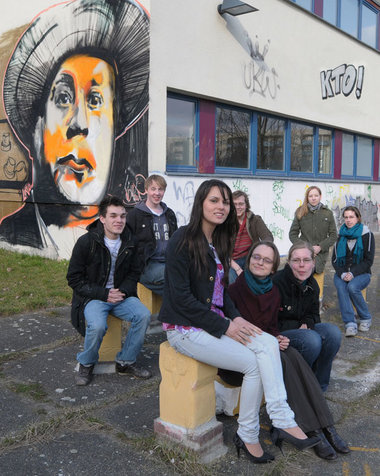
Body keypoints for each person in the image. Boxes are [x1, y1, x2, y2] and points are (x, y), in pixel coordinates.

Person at [158, 179, 319, 464]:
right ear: (201, 204)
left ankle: (276, 418)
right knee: (253, 363)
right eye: (214, 200)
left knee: (268, 341)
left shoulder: (219, 242)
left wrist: (237, 318)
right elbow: (180, 299)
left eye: (225, 201)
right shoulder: (183, 239)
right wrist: (226, 326)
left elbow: (221, 294)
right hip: (184, 329)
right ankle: (252, 432)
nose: (221, 207)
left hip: (213, 323)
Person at [0, 0, 149, 258]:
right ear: (37, 130)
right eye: (64, 98)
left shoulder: (126, 239)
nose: (79, 123)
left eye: (95, 101)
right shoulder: (12, 236)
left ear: (116, 131)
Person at [219, 241, 349, 460]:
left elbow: (272, 327)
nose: (260, 262)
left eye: (267, 260)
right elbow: (233, 329)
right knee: (290, 357)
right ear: (249, 259)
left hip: (266, 347)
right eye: (256, 257)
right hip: (241, 357)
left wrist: (275, 337)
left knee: (293, 354)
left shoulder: (271, 291)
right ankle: (310, 428)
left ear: (272, 267)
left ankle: (326, 426)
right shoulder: (235, 289)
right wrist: (272, 338)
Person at [67, 195, 151, 386]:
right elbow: (73, 278)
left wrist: (122, 291)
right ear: (102, 218)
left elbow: (135, 272)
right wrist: (105, 294)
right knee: (97, 326)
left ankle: (126, 362)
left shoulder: (131, 241)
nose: (119, 220)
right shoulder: (87, 242)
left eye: (122, 216)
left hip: (122, 295)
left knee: (143, 315)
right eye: (113, 216)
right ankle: (86, 363)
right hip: (94, 297)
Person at [273, 242, 341, 392]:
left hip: (301, 330)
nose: (302, 265)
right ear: (289, 262)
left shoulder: (312, 285)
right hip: (279, 336)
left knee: (333, 333)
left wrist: (307, 323)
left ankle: (318, 387)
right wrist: (301, 330)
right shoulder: (276, 283)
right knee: (311, 340)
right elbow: (268, 321)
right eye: (296, 260)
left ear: (313, 262)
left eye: (306, 260)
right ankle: (299, 387)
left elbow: (313, 315)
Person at [126, 175, 177, 295]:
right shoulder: (135, 215)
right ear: (146, 190)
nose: (157, 193)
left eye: (160, 189)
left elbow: (176, 241)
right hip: (147, 266)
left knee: (191, 276)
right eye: (153, 189)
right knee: (175, 277)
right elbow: (127, 244)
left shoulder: (169, 214)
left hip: (169, 262)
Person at [289, 186, 337, 308]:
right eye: (310, 196)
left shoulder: (328, 213)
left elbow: (333, 236)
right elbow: (293, 234)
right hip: (304, 253)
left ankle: (317, 305)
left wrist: (320, 247)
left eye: (316, 195)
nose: (313, 198)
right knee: (302, 276)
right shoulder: (300, 212)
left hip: (320, 254)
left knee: (317, 275)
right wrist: (305, 248)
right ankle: (299, 304)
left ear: (320, 196)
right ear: (307, 197)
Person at [332, 206, 375, 337]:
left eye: (351, 217)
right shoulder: (340, 235)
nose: (348, 220)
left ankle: (366, 318)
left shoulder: (367, 234)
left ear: (357, 218)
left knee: (352, 287)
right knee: (341, 286)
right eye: (346, 217)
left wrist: (353, 273)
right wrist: (343, 273)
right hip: (342, 272)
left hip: (362, 273)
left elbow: (368, 261)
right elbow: (334, 260)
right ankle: (350, 323)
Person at [230, 190, 273, 283]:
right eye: (235, 204)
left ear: (246, 205)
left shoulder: (254, 219)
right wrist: (237, 269)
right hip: (231, 261)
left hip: (250, 258)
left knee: (257, 282)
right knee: (233, 283)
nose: (238, 207)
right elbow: (221, 251)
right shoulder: (225, 222)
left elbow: (268, 237)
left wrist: (260, 254)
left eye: (241, 204)